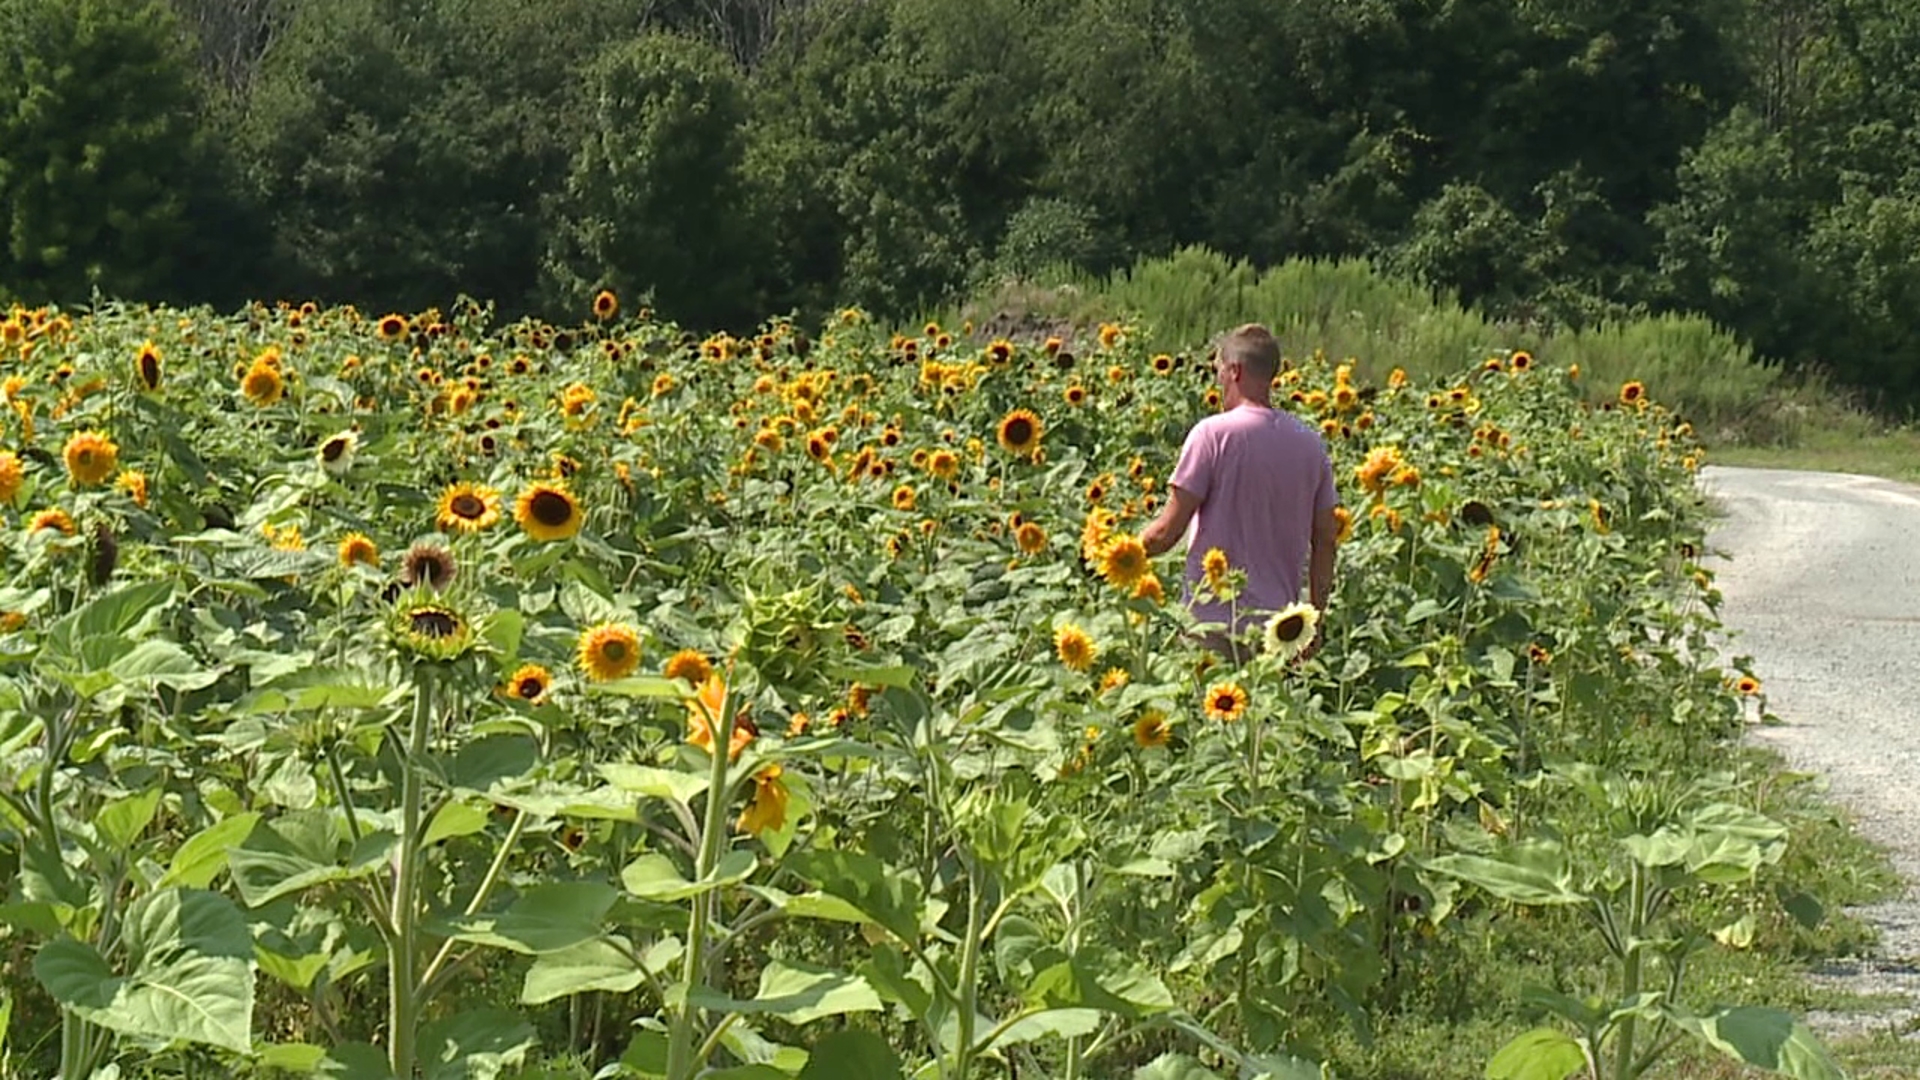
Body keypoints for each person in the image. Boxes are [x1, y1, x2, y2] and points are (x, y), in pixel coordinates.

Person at [1140, 323, 1340, 659]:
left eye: (1218, 370)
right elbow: (1326, 540)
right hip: (1279, 634)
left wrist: (1112, 555)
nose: (1217, 381)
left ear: (1234, 371)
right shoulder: (1310, 444)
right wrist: (1315, 622)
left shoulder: (1212, 435)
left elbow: (1165, 532)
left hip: (1212, 628)